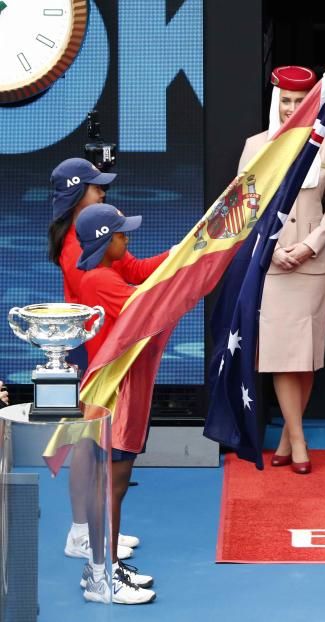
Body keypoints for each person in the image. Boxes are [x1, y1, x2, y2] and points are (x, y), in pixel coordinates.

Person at [48, 158, 165, 565]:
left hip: (98, 352)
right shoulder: (75, 250)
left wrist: (187, 254)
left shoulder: (98, 240)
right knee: (86, 445)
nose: (103, 192)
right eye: (96, 187)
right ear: (79, 194)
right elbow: (114, 304)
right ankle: (81, 533)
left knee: (94, 447)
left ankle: (94, 529)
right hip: (87, 354)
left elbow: (133, 269)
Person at [237, 65, 325, 475]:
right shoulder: (256, 147)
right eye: (286, 101)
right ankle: (298, 440)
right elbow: (245, 209)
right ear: (275, 102)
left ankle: (286, 435)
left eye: (301, 102)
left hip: (314, 265)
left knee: (307, 358)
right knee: (283, 356)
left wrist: (309, 245)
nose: (292, 109)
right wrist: (275, 248)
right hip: (273, 266)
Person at [75, 203, 157, 604]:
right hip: (114, 395)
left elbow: (143, 278)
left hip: (123, 391)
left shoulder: (111, 271)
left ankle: (104, 565)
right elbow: (146, 309)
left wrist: (188, 254)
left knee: (115, 485)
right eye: (122, 233)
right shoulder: (100, 279)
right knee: (112, 484)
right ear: (107, 241)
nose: (128, 238)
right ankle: (100, 575)